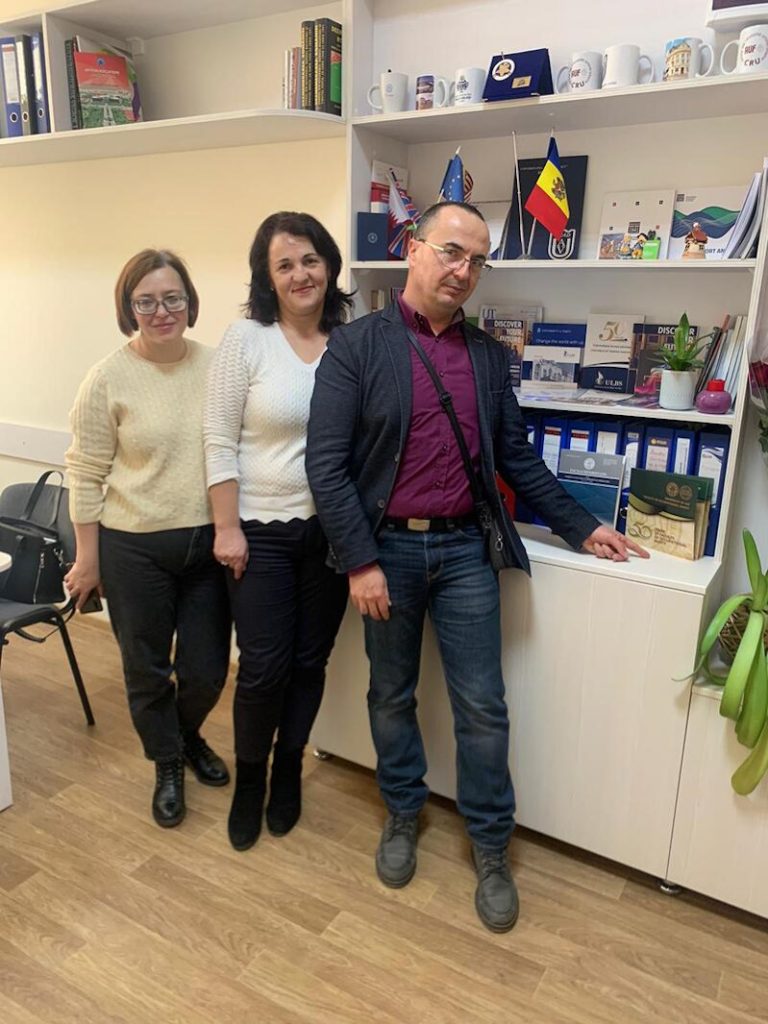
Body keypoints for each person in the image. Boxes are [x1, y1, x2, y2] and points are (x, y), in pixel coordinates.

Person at [306, 201, 649, 933]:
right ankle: (403, 812)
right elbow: (325, 466)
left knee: (484, 707)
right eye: (452, 252)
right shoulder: (357, 347)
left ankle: (491, 845)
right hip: (386, 553)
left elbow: (516, 458)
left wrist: (584, 525)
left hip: (466, 551)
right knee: (391, 695)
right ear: (413, 248)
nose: (464, 270)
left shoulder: (491, 357)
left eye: (478, 261)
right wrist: (360, 562)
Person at [64, 249, 232, 829]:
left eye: (172, 298)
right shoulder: (106, 378)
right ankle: (167, 761)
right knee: (147, 669)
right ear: (128, 308)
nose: (161, 311)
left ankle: (184, 735)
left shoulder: (217, 366)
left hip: (207, 546)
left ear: (189, 302)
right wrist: (88, 561)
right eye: (146, 302)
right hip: (133, 548)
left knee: (207, 670)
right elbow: (85, 472)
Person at [204, 211, 351, 852]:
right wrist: (226, 527)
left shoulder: (352, 339)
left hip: (332, 534)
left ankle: (289, 768)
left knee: (309, 663)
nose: (300, 274)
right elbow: (217, 439)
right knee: (263, 669)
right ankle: (250, 781)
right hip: (259, 531)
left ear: (329, 265)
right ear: (267, 278)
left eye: (310, 259)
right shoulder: (247, 340)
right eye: (284, 264)